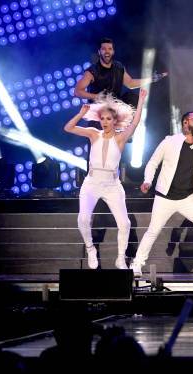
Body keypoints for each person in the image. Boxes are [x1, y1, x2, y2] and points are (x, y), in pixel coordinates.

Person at [129, 111, 193, 279]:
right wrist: (148, 180)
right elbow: (153, 162)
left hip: (189, 198)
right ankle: (137, 264)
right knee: (153, 231)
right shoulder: (170, 141)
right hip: (165, 197)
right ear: (185, 123)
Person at [64, 88, 147, 269]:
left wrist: (141, 100)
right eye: (102, 119)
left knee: (124, 223)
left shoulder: (120, 138)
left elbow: (135, 122)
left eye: (109, 119)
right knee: (83, 220)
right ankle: (91, 249)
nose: (105, 122)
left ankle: (120, 258)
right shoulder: (94, 134)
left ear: (115, 120)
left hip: (112, 185)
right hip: (92, 183)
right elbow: (68, 128)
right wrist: (80, 114)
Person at [74, 37, 167, 104]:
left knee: (132, 98)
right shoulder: (91, 71)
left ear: (113, 51)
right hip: (97, 111)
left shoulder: (119, 67)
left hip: (113, 109)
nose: (107, 51)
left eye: (109, 49)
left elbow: (130, 83)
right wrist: (97, 97)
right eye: (104, 49)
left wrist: (151, 79)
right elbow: (77, 91)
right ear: (99, 52)